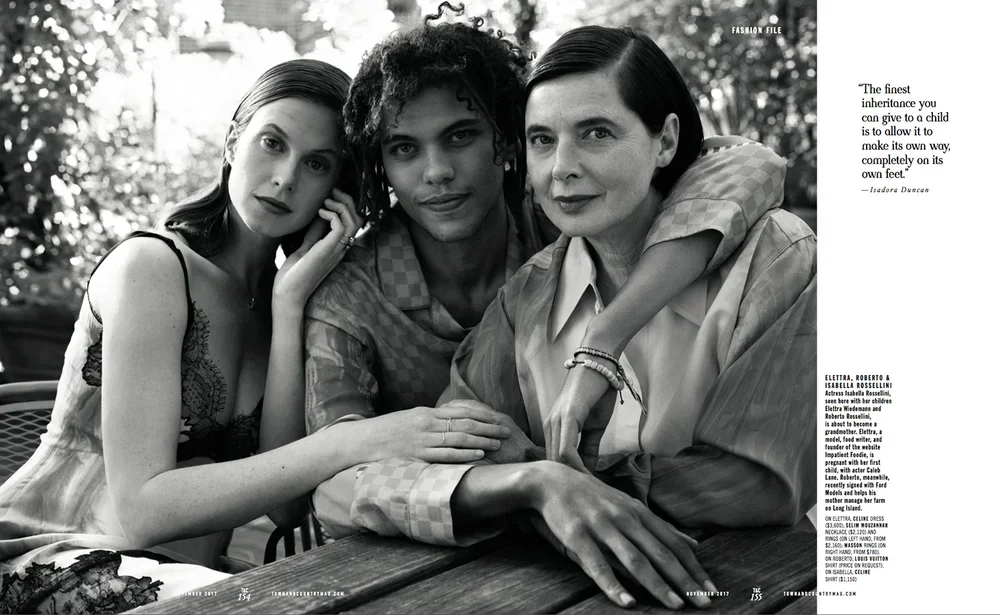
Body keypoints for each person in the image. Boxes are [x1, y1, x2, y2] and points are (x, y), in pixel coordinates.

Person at [305, 11, 797, 610]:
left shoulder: (774, 261)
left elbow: (760, 485)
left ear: (665, 140)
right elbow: (362, 480)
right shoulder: (528, 291)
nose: (563, 166)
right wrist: (535, 484)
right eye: (544, 140)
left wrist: (550, 475)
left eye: (596, 133)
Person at [0, 58, 510, 614]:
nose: (286, 177)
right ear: (232, 142)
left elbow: (290, 506)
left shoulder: (286, 298)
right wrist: (356, 439)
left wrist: (289, 307)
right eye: (272, 143)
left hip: (192, 583)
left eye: (317, 164)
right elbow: (144, 510)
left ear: (336, 192)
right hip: (47, 558)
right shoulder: (152, 267)